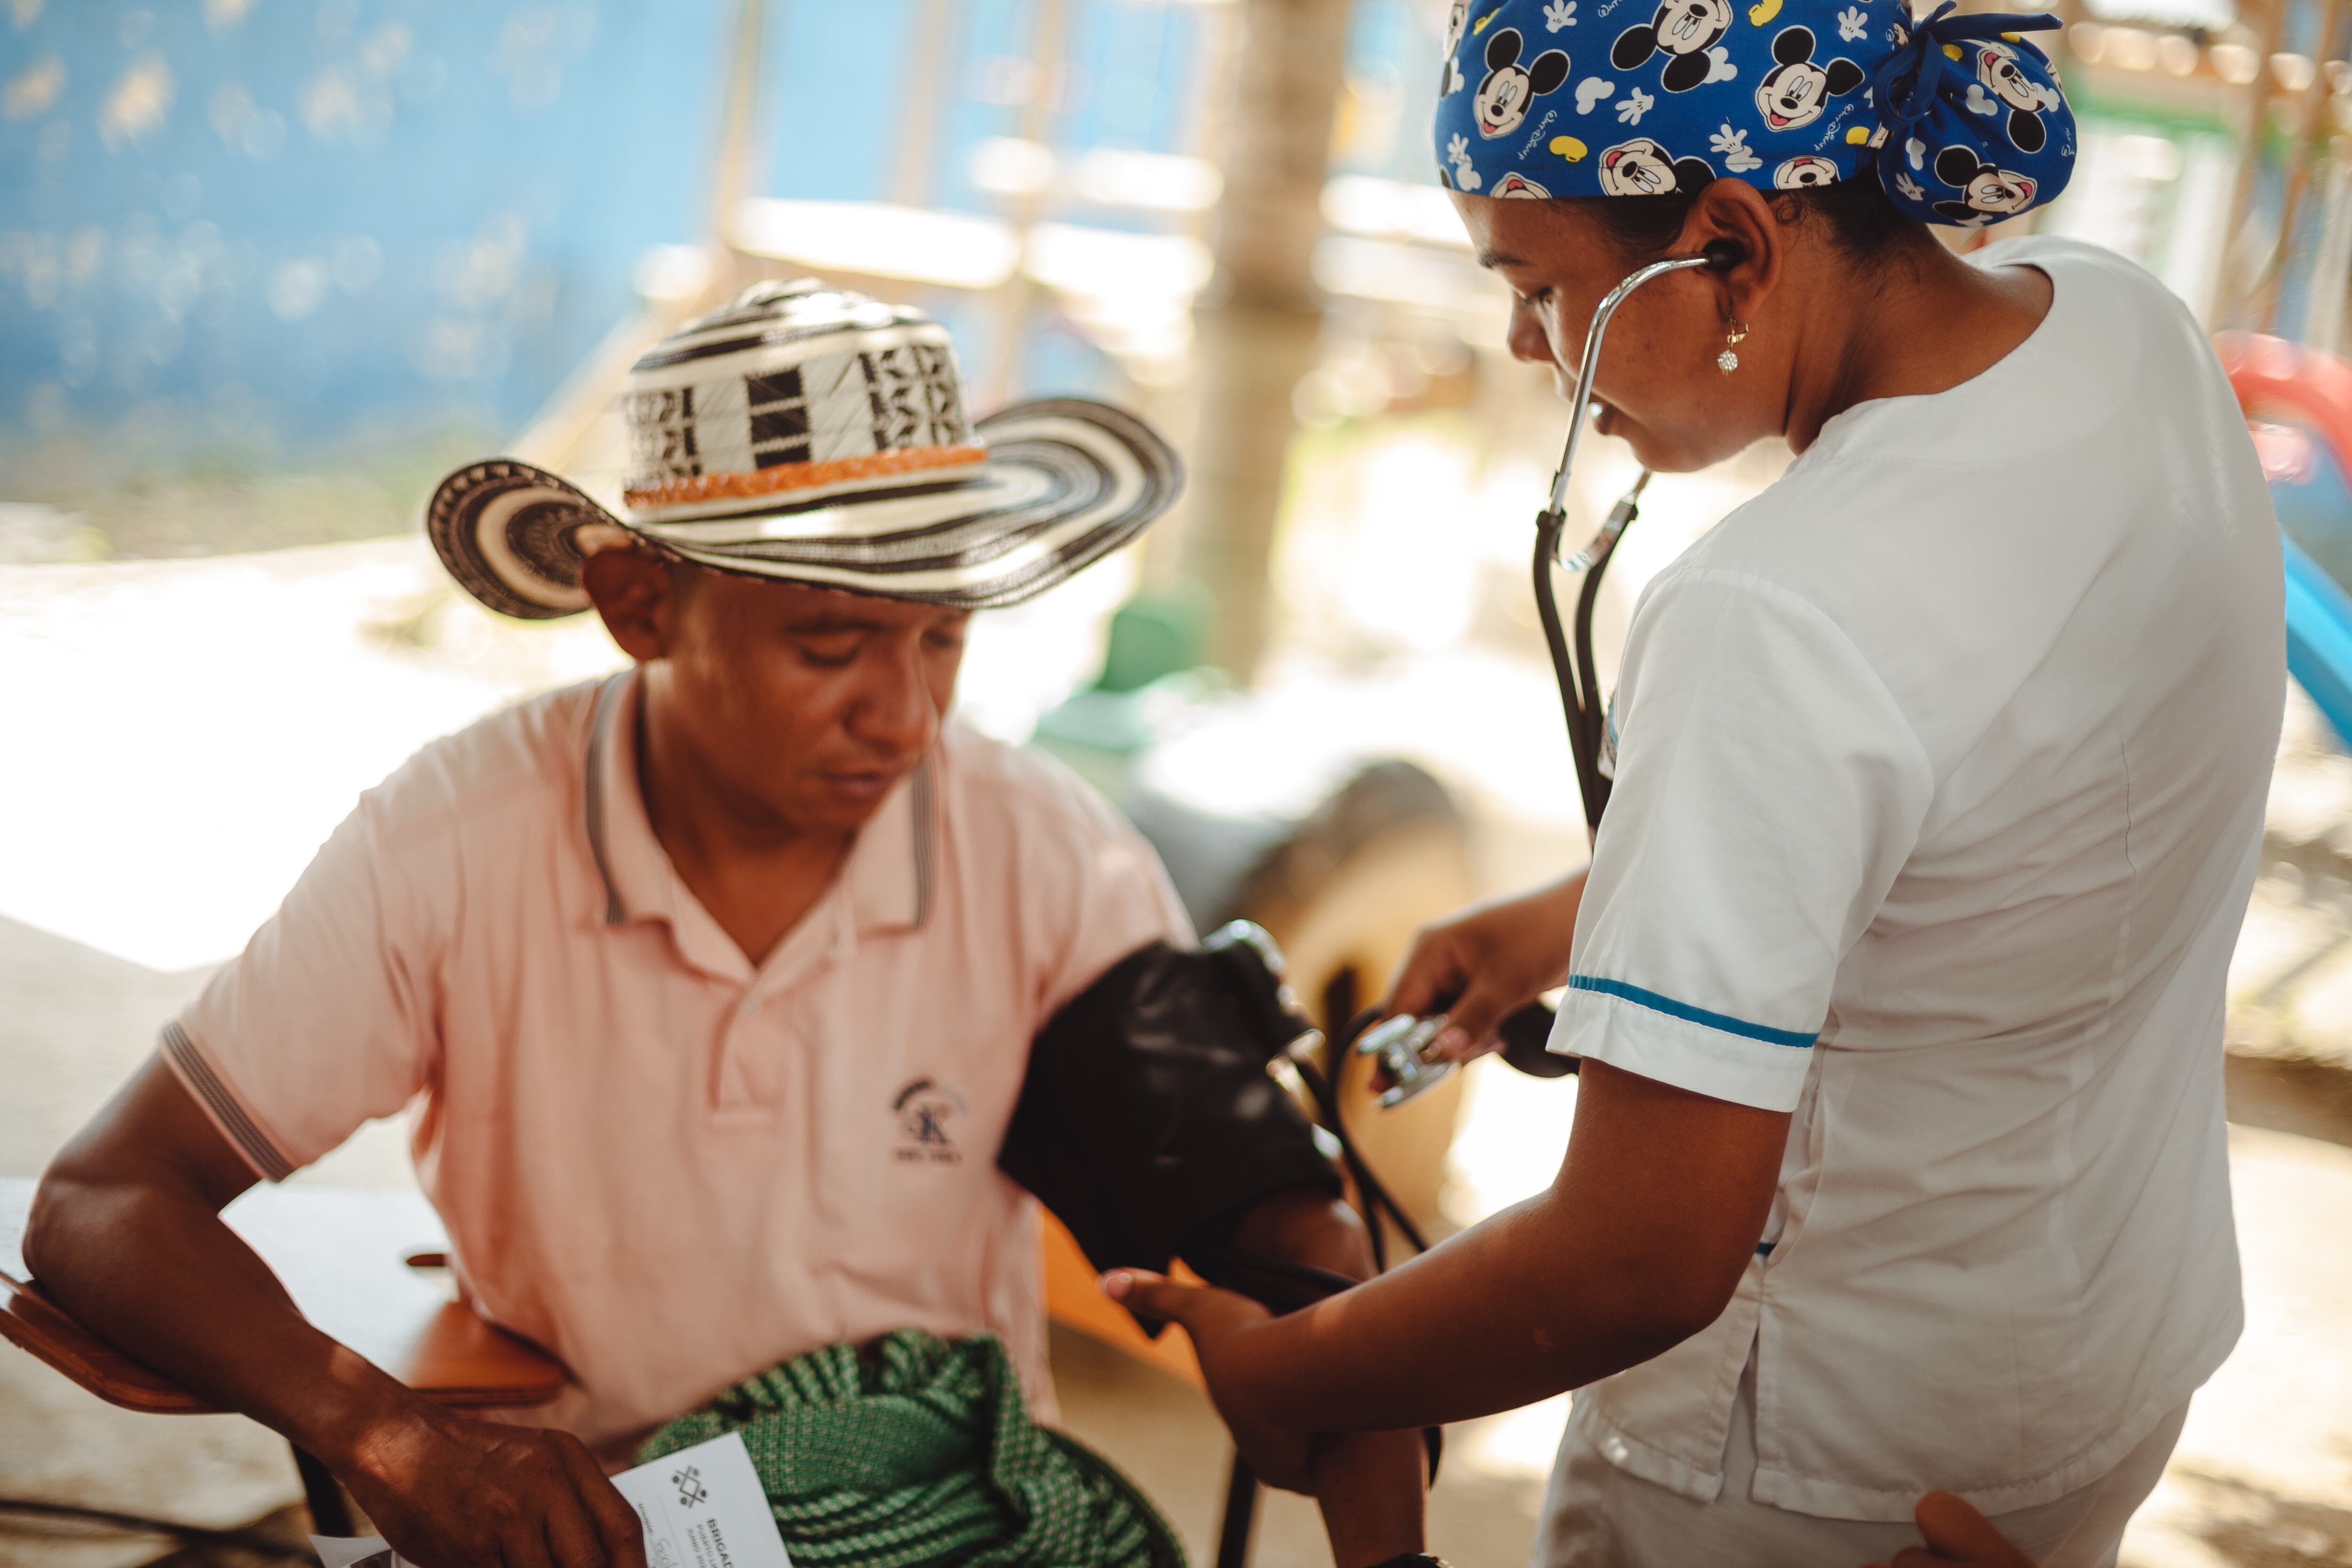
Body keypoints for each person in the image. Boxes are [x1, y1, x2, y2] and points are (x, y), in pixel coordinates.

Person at [1104, 3, 2279, 1566]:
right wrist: (1601, 910)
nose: (1528, 348)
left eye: (1540, 287)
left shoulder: (1770, 608)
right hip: (2093, 1363)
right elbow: (2013, 795)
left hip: (1811, 1467)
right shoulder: (2124, 330)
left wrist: (1290, 1369)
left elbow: (1638, 1259)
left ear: (1729, 244)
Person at [26, 281, 1428, 1568]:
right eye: (830, 645)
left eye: (941, 638)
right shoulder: (454, 841)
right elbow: (104, 1200)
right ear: (641, 605)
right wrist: (389, 1437)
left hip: (933, 1511)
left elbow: (1278, 1225)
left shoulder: (1038, 853)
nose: (903, 714)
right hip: (592, 1524)